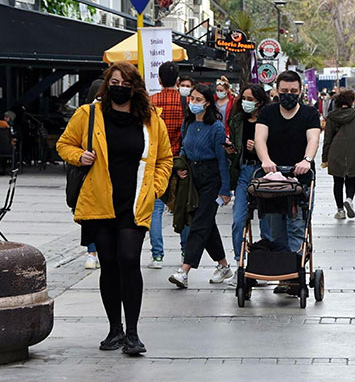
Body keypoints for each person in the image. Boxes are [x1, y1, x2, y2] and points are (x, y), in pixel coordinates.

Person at [56, 61, 173, 355]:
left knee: (129, 259)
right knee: (108, 264)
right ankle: (114, 330)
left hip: (134, 202)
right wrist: (79, 156)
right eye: (114, 82)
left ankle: (133, 333)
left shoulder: (150, 119)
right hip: (99, 201)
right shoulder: (89, 114)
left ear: (135, 88)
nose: (118, 87)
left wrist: (155, 189)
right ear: (107, 84)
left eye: (124, 83)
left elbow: (165, 159)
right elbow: (63, 144)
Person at [255, 70, 321, 293]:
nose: (289, 95)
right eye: (284, 91)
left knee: (296, 226)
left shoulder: (310, 114)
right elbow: (260, 139)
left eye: (293, 91)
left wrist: (307, 160)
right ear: (276, 91)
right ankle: (282, 272)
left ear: (300, 91)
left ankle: (295, 274)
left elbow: (313, 139)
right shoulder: (267, 112)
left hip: (299, 179)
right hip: (273, 180)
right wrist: (265, 160)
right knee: (274, 228)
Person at [168, 85, 233, 288]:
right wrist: (180, 168)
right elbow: (184, 149)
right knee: (205, 223)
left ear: (207, 102)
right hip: (191, 177)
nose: (193, 102)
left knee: (199, 224)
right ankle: (223, 265)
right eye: (192, 98)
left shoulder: (216, 128)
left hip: (211, 176)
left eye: (198, 99)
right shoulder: (187, 124)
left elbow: (222, 159)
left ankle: (184, 270)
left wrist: (225, 189)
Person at [227, 84, 272, 285]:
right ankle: (240, 263)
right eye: (244, 97)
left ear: (260, 101)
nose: (246, 102)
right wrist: (232, 149)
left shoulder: (268, 120)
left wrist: (260, 147)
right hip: (244, 171)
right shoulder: (237, 121)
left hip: (264, 173)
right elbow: (236, 146)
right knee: (238, 220)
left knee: (267, 220)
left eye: (250, 98)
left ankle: (265, 263)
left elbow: (276, 146)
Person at [148, 61, 185, 269]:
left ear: (159, 80)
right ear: (178, 80)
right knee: (183, 207)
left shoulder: (151, 102)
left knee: (156, 209)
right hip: (180, 160)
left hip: (156, 161)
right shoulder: (186, 102)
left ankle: (157, 256)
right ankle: (185, 251)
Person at [321, 89, 355, 219]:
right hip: (354, 151)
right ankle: (349, 199)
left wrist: (325, 157)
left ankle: (340, 210)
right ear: (351, 101)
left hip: (335, 151)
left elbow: (327, 138)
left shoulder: (331, 116)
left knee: (337, 182)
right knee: (351, 180)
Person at [83, 79, 103, 270]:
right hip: (90, 172)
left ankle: (93, 253)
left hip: (104, 174)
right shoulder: (85, 114)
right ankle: (91, 252)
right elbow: (65, 145)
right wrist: (80, 156)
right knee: (91, 215)